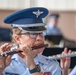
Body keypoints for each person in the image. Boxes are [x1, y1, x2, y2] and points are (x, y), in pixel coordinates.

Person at [0, 7, 71, 75]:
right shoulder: (6, 62)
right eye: (33, 34)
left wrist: (33, 67)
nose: (39, 38)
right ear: (18, 38)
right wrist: (1, 69)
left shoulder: (52, 65)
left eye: (41, 33)